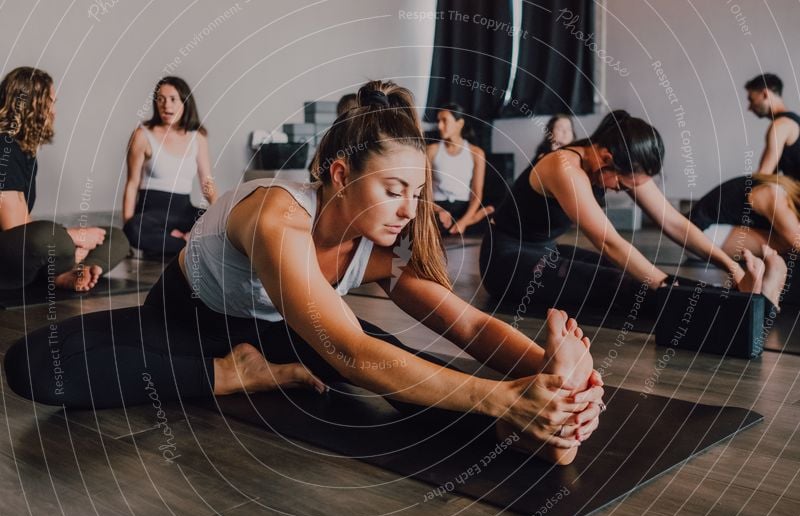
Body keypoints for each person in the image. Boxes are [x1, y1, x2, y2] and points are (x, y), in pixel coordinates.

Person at [6, 80, 605, 466]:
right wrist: (498, 395)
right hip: (186, 325)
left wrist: (552, 378)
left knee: (396, 359)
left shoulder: (380, 244)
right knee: (33, 365)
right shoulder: (276, 215)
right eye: (394, 189)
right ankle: (227, 373)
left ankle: (536, 427)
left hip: (289, 336)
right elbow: (347, 352)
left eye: (415, 193)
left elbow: (469, 328)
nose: (408, 209)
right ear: (340, 175)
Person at [481, 110, 787, 318]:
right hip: (507, 263)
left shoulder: (615, 164)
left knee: (632, 275)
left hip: (544, 251)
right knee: (622, 286)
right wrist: (665, 287)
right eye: (623, 184)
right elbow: (609, 242)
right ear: (606, 158)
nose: (618, 190)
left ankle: (744, 301)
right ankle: (744, 309)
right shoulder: (565, 168)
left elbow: (674, 222)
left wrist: (729, 267)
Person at [0, 66, 129, 292]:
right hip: (7, 257)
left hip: (26, 249)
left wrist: (71, 240)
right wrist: (70, 239)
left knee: (115, 237)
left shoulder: (25, 151)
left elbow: (25, 220)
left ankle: (74, 271)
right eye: (51, 102)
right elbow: (16, 229)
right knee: (48, 238)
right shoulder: (4, 148)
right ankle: (62, 267)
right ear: (33, 105)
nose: (54, 111)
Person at [122, 77, 216, 259]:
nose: (166, 105)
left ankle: (173, 243)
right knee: (134, 230)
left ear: (185, 102)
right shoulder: (142, 135)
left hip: (184, 211)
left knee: (219, 228)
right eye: (161, 99)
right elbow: (132, 184)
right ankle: (188, 244)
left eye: (173, 99)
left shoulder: (198, 138)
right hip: (151, 215)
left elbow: (207, 181)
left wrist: (218, 214)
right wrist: (127, 227)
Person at [687, 173, 800, 258]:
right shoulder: (775, 196)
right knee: (787, 244)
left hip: (712, 230)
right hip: (697, 236)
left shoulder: (787, 191)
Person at [428, 103, 494, 236]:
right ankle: (474, 219)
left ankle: (468, 220)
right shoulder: (431, 150)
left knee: (493, 222)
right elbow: (425, 190)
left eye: (445, 120)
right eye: (438, 121)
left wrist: (464, 221)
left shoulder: (476, 153)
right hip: (437, 208)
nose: (440, 125)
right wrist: (438, 210)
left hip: (464, 208)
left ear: (459, 123)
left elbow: (477, 194)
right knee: (432, 224)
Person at [745, 73, 800, 180]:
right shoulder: (793, 121)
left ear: (765, 94)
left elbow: (764, 175)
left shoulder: (780, 126)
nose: (749, 108)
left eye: (751, 100)